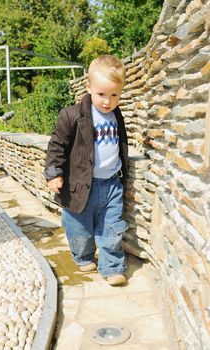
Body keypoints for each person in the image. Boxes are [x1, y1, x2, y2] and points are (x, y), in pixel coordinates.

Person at [44, 55, 128, 286]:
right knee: (78, 228)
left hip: (111, 183)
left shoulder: (116, 115)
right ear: (88, 87)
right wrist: (53, 173)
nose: (107, 101)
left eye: (114, 95)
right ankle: (83, 255)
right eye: (101, 94)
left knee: (112, 228)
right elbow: (56, 145)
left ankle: (112, 267)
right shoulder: (72, 115)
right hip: (79, 185)